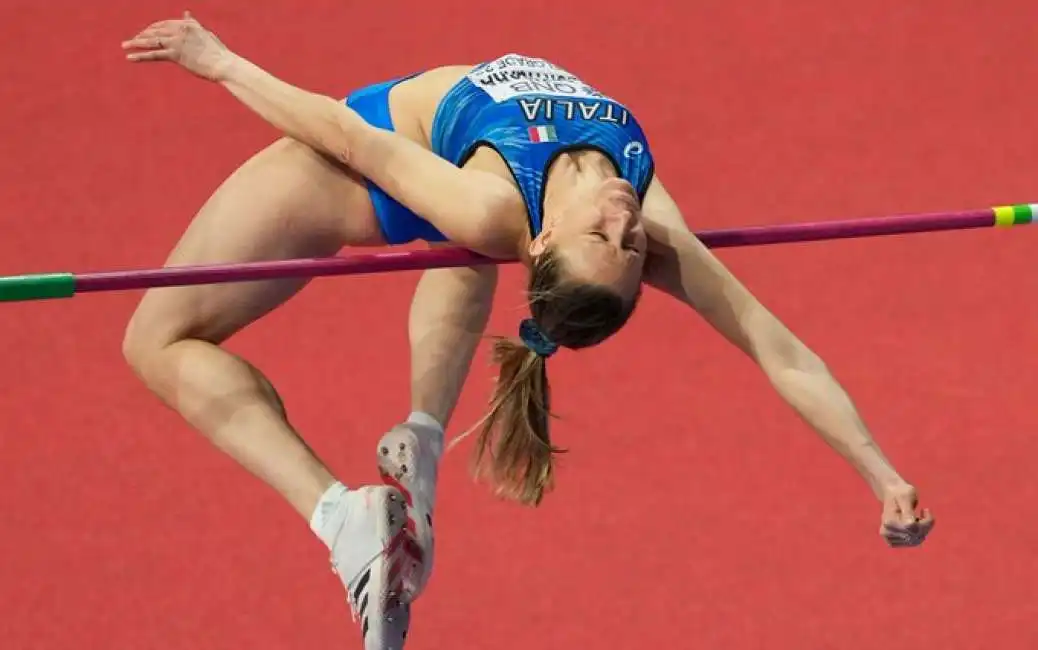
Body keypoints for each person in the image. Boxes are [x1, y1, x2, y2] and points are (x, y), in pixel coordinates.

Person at [120, 12, 935, 650]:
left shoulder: (498, 211)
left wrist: (218, 61)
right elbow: (779, 349)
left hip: (361, 169)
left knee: (156, 340)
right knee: (469, 241)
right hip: (428, 171)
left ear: (543, 242)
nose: (623, 222)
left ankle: (339, 515)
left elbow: (344, 134)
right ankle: (422, 438)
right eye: (629, 244)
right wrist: (883, 473)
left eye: (607, 240)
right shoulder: (642, 205)